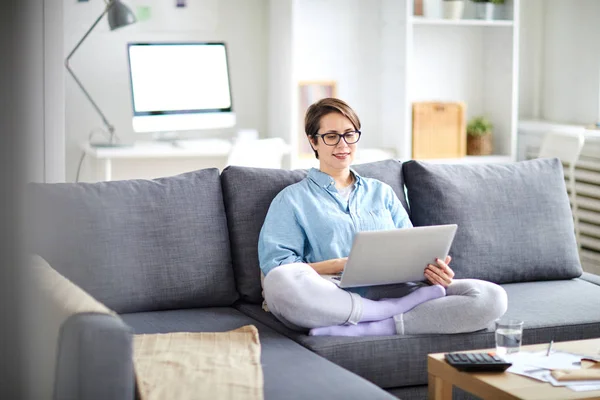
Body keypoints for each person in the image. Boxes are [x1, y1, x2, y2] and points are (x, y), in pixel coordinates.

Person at [258, 98, 507, 337]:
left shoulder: (381, 192)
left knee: (491, 297)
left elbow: (411, 247)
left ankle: (379, 325)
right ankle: (386, 314)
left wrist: (433, 272)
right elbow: (277, 266)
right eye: (331, 136)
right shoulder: (292, 199)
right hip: (332, 293)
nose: (342, 144)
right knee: (280, 282)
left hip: (399, 289)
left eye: (349, 134)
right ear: (314, 142)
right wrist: (340, 264)